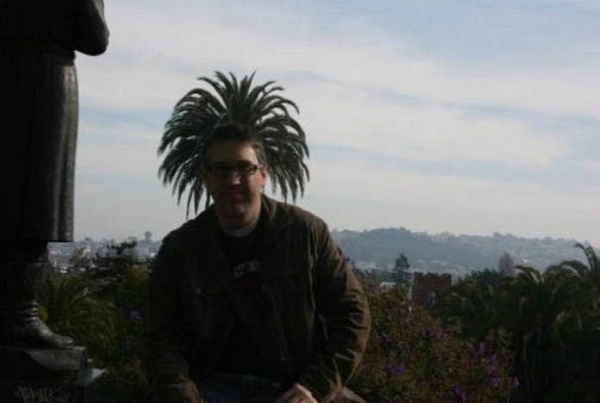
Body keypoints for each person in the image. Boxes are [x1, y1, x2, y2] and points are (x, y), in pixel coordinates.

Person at [146, 123, 371, 402]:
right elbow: (160, 337)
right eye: (221, 169)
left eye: (245, 168)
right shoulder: (181, 248)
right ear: (206, 177)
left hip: (290, 388)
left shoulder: (305, 233)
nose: (233, 180)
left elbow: (353, 314)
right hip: (209, 388)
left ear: (263, 175)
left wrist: (315, 386)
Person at [0, 0, 109, 347]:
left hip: (15, 75)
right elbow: (95, 38)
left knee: (26, 198)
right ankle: (20, 315)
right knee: (38, 202)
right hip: (47, 81)